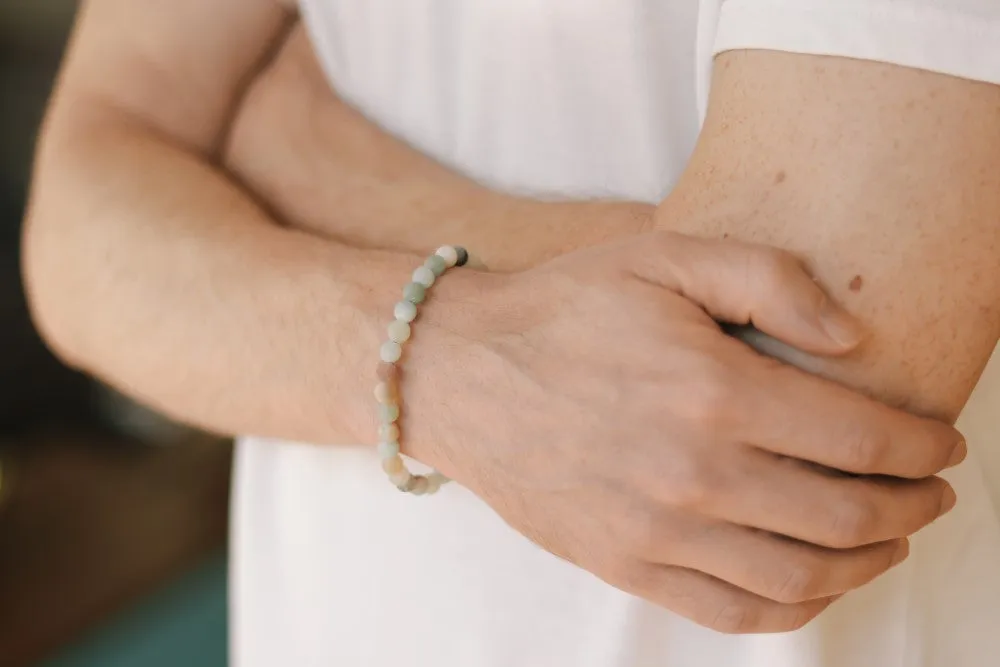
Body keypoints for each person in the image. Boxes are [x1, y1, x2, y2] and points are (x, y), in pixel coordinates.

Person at [21, 0, 1000, 665]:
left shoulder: (267, 125)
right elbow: (77, 227)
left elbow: (777, 393)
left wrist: (287, 149)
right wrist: (442, 364)